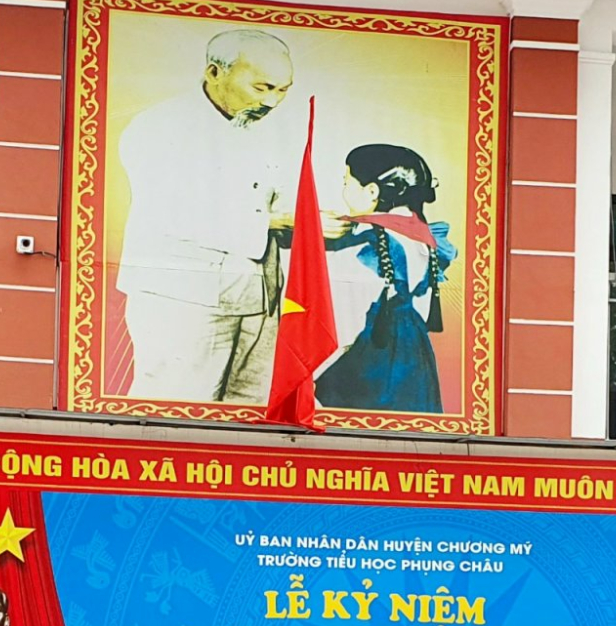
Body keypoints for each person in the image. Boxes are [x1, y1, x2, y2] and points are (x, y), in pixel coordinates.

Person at [118, 27, 298, 405]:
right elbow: (172, 213)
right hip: (182, 298)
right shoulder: (160, 126)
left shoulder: (267, 129)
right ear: (214, 72)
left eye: (283, 90)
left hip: (258, 296)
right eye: (262, 87)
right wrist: (272, 221)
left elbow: (281, 197)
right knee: (178, 406)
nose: (273, 102)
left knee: (250, 406)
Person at [316, 143, 455, 413]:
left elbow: (347, 325)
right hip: (416, 358)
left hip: (374, 363)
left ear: (371, 191)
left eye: (347, 182)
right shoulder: (425, 237)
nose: (344, 190)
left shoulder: (364, 241)